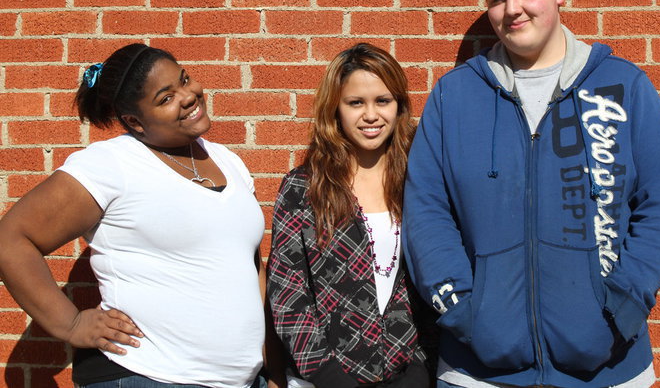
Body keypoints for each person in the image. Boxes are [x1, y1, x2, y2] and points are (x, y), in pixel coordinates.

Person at [402, 0, 660, 387]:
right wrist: (461, 309)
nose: (512, 9)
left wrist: (624, 304)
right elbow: (427, 211)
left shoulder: (621, 88)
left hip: (609, 369)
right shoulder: (454, 96)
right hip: (478, 371)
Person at [0, 43, 284, 388]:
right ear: (134, 121)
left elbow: (249, 268)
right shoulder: (111, 164)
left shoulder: (228, 161)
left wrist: (274, 369)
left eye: (185, 79)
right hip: (149, 375)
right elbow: (11, 239)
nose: (188, 95)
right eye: (166, 98)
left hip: (241, 381)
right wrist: (71, 324)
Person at [267, 43, 432, 388]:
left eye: (382, 101)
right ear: (335, 109)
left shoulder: (421, 180)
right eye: (356, 103)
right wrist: (328, 376)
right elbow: (287, 293)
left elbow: (434, 275)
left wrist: (421, 364)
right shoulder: (304, 188)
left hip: (409, 376)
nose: (370, 115)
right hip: (326, 380)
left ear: (399, 105)